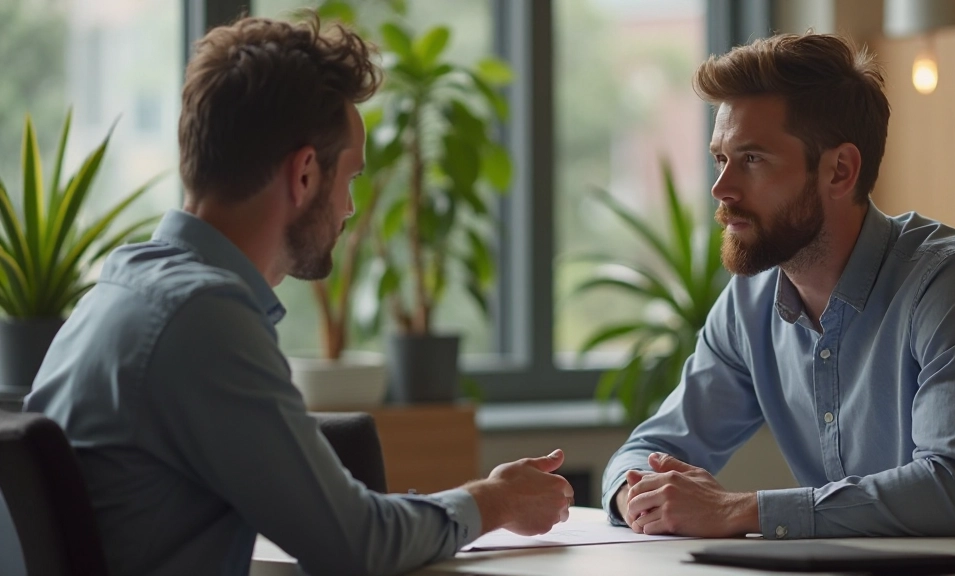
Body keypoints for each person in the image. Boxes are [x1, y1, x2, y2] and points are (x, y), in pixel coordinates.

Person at [24, 16, 573, 576]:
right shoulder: (201, 318)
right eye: (351, 178)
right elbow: (355, 543)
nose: (351, 208)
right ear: (305, 174)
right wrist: (495, 500)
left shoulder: (122, 286)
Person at [602, 32, 955, 540]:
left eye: (753, 159)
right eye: (721, 158)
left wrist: (739, 510)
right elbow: (647, 451)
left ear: (840, 170)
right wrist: (639, 493)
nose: (722, 188)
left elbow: (953, 492)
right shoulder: (748, 303)